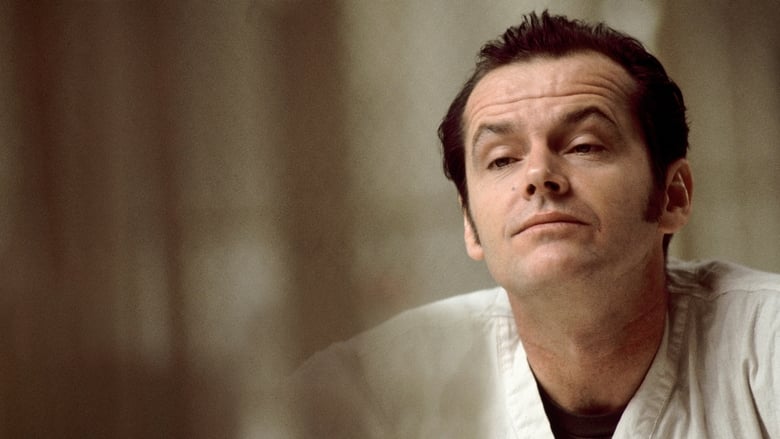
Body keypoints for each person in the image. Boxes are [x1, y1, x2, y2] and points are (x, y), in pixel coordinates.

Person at [283, 11, 779, 438]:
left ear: (673, 196)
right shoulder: (369, 389)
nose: (539, 175)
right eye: (502, 159)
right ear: (471, 224)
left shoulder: (766, 346)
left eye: (584, 146)